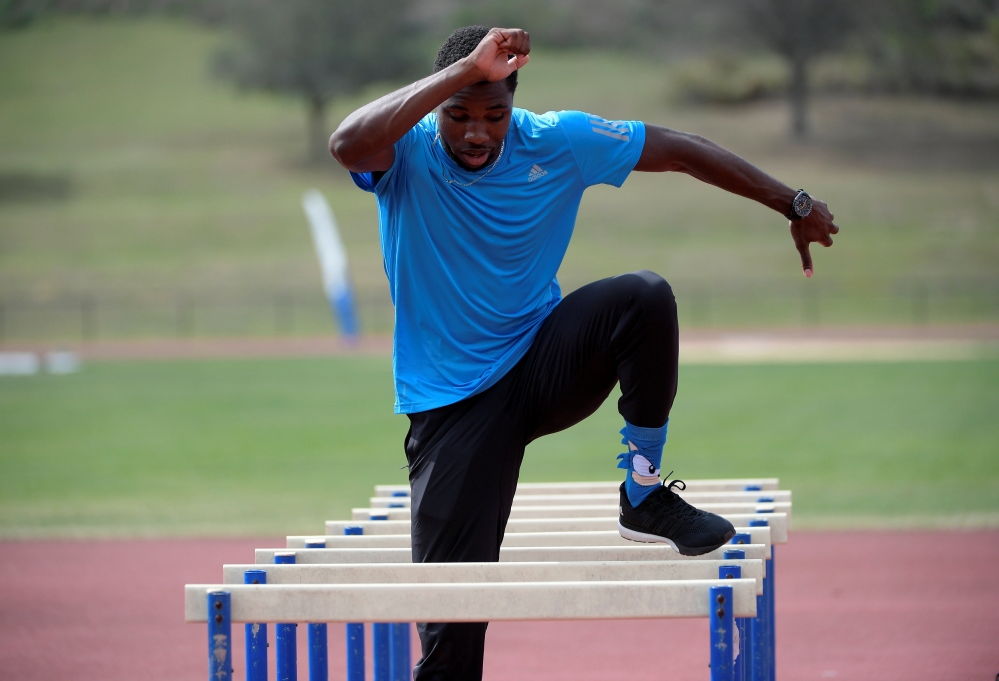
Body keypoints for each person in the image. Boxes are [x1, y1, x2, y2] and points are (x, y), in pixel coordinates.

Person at [330, 25, 838, 681]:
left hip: (544, 363)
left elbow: (682, 150)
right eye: (459, 116)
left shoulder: (557, 140)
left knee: (644, 299)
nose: (477, 134)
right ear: (438, 107)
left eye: (494, 115)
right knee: (452, 637)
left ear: (515, 105)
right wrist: (459, 77)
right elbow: (347, 144)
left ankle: (644, 494)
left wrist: (791, 202)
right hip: (452, 406)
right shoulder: (405, 153)